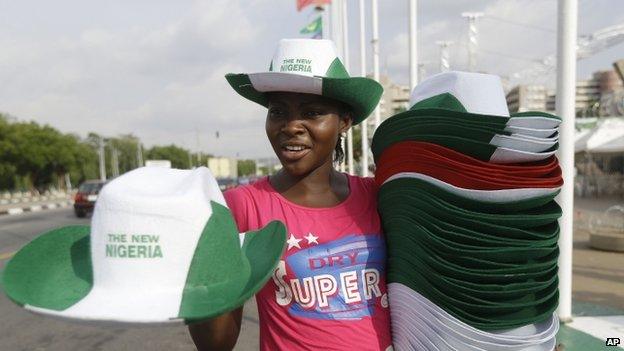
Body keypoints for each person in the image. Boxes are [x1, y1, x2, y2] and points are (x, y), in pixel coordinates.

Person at [188, 39, 392, 351]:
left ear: (345, 121)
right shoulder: (244, 205)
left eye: (312, 112)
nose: (291, 126)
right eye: (278, 112)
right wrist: (200, 272)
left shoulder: (376, 197)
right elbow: (217, 343)